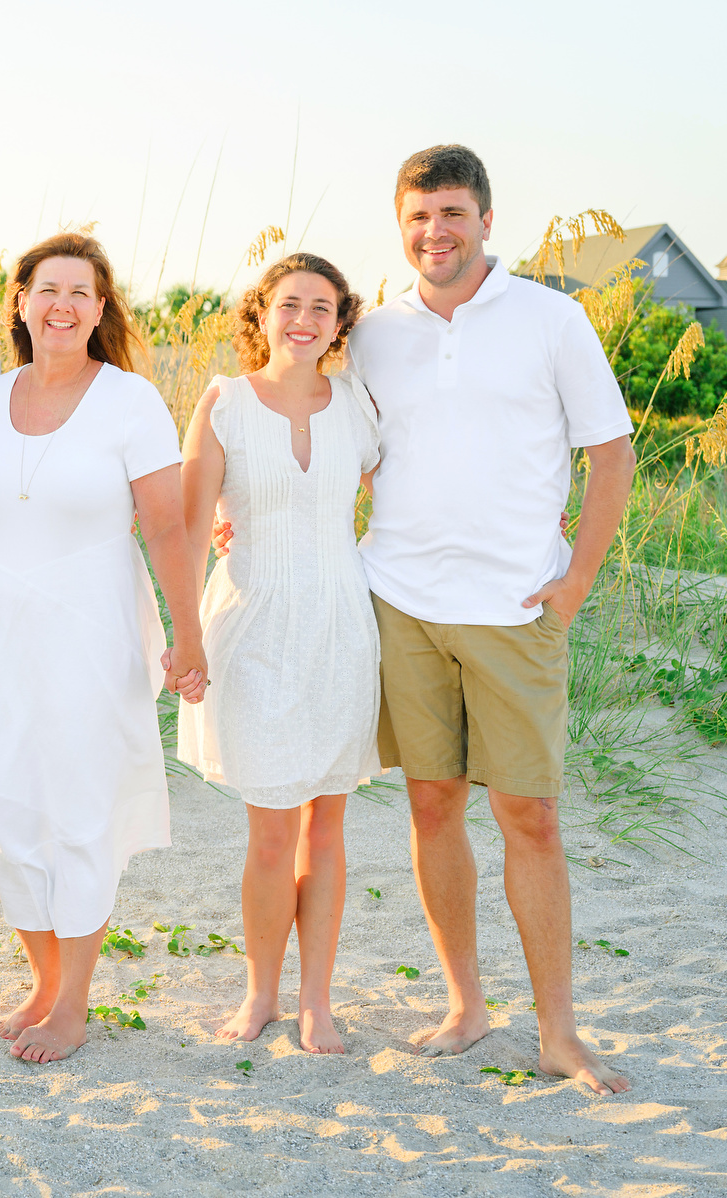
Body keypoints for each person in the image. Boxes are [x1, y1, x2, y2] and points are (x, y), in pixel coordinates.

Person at [218, 146, 635, 1094]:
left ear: (487, 219)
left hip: (514, 605)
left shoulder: (551, 319)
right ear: (399, 226)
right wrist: (239, 506)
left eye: (451, 213)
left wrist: (572, 583)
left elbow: (611, 455)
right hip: (396, 599)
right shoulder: (375, 332)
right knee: (431, 804)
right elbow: (334, 439)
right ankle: (465, 1004)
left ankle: (559, 1032)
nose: (433, 233)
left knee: (528, 814)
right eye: (416, 217)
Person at [0, 232, 205, 1064]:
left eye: (81, 294)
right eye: (47, 290)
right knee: (5, 809)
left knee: (80, 808)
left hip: (93, 633)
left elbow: (167, 527)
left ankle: (74, 1000)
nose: (62, 306)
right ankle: (41, 979)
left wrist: (187, 631)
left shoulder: (131, 401)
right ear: (21, 301)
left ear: (101, 311)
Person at [177, 253, 378, 1055]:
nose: (304, 319)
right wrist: (183, 636)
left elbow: (409, 497)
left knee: (325, 830)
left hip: (338, 628)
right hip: (253, 629)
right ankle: (261, 993)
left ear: (340, 322)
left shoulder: (359, 404)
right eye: (289, 304)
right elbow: (192, 531)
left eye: (321, 308)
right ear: (260, 313)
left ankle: (317, 1003)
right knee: (270, 833)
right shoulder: (224, 402)